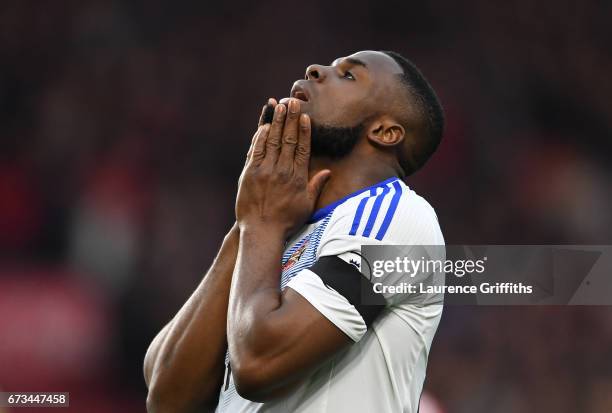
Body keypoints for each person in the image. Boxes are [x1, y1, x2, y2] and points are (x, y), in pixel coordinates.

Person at [144, 50, 445, 413]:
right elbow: (167, 398)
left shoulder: (397, 218)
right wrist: (247, 223)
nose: (315, 69)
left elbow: (258, 364)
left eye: (348, 76)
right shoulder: (276, 230)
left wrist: (260, 223)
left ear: (384, 131)